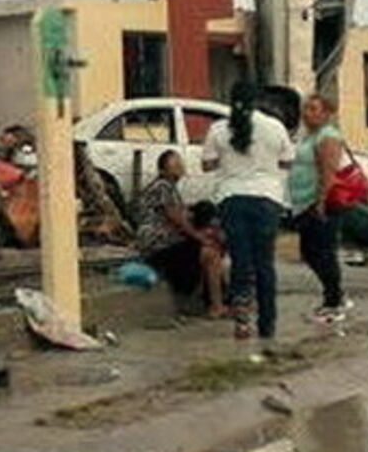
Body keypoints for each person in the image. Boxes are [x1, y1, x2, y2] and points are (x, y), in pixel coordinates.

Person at [202, 81, 296, 341]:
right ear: (257, 101)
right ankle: (267, 324)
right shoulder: (274, 126)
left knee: (240, 261)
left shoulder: (219, 129)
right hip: (267, 199)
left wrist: (229, 161)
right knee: (264, 263)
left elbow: (207, 164)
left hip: (232, 199)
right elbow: (288, 160)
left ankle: (242, 323)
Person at [136, 151, 226, 317]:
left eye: (180, 164)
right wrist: (199, 237)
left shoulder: (171, 189)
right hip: (159, 245)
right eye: (175, 165)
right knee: (210, 253)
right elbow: (176, 218)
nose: (180, 167)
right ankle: (216, 306)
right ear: (163, 170)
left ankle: (217, 301)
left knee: (212, 243)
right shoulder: (163, 186)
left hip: (168, 242)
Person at [289, 95, 351, 323]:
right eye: (306, 109)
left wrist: (321, 201)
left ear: (326, 113)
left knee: (323, 252)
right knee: (309, 252)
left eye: (314, 109)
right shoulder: (309, 136)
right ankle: (335, 293)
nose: (307, 114)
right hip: (304, 203)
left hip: (321, 204)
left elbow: (328, 172)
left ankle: (333, 302)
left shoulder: (328, 136)